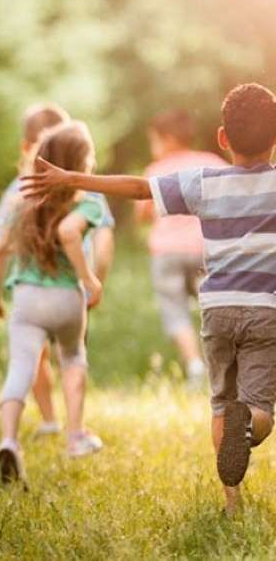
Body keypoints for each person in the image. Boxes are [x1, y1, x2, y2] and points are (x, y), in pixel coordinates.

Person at [21, 83, 276, 516]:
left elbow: (140, 188)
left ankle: (232, 501)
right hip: (266, 311)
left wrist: (73, 178)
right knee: (259, 408)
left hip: (217, 311)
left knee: (221, 402)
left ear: (222, 138)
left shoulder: (203, 183)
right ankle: (247, 425)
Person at [0, 121, 106, 487]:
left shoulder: (22, 199)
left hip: (26, 298)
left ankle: (8, 439)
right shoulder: (89, 199)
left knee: (20, 368)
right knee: (72, 359)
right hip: (67, 297)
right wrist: (88, 278)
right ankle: (75, 436)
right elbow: (69, 232)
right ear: (80, 163)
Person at [135, 110, 226, 386]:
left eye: (154, 140)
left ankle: (194, 365)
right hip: (205, 250)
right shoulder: (211, 163)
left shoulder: (155, 171)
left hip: (167, 254)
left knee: (175, 310)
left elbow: (142, 214)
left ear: (168, 139)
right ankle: (222, 364)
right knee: (212, 308)